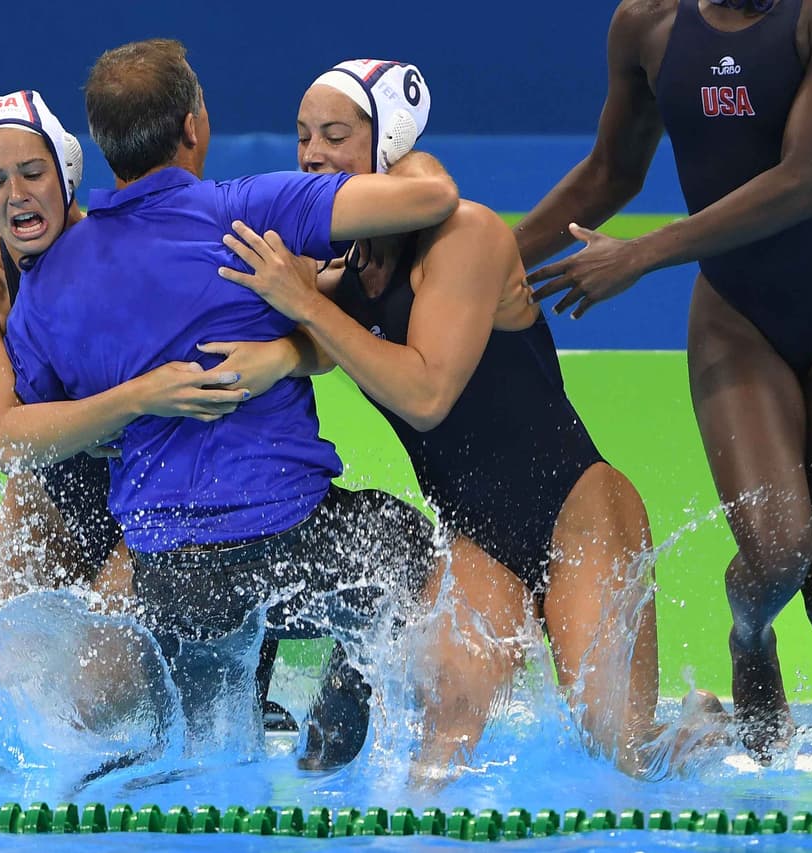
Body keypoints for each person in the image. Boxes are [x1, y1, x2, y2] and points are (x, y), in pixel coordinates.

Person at [220, 59, 725, 780]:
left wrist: (303, 307)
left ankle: (699, 726)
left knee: (621, 754)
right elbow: (325, 340)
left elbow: (426, 393)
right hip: (476, 540)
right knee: (434, 762)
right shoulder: (346, 268)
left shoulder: (466, 236)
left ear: (388, 138)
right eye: (303, 137)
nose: (311, 155)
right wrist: (272, 354)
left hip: (575, 508)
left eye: (335, 134)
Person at [1, 39, 463, 768]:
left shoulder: (45, 287)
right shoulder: (249, 210)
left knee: (211, 751)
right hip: (296, 544)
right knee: (416, 546)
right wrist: (394, 134)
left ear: (99, 144)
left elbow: (45, 426)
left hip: (167, 578)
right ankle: (341, 719)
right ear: (193, 127)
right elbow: (433, 197)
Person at [0, 87, 371, 761]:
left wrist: (292, 338)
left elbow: (306, 324)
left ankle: (255, 685)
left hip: (155, 503)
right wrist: (134, 396)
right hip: (51, 503)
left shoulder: (124, 245)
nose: (18, 194)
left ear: (67, 173)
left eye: (32, 173)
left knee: (117, 705)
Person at [515, 0, 812, 761]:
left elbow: (804, 181)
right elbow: (609, 172)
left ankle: (760, 624)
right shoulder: (647, 27)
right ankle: (749, 633)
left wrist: (642, 253)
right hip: (736, 319)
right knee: (780, 549)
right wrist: (485, 264)